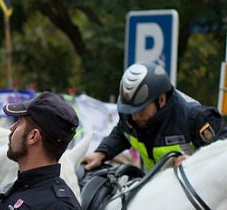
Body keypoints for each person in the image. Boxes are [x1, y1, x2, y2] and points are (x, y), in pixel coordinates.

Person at [82, 60, 223, 172]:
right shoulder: (131, 116)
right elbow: (122, 133)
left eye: (141, 110)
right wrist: (101, 153)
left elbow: (223, 155)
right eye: (130, 111)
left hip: (194, 196)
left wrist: (194, 162)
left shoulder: (197, 118)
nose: (135, 117)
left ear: (161, 100)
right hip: (152, 193)